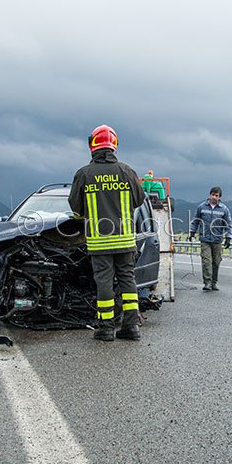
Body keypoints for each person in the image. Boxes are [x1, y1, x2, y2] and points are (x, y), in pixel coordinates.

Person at [68, 125, 145, 341]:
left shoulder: (84, 173)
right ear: (114, 145)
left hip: (99, 242)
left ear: (92, 145)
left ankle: (106, 328)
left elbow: (75, 207)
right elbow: (139, 200)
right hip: (125, 239)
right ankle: (131, 327)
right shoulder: (127, 171)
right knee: (128, 281)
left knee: (104, 283)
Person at [189, 186, 232, 291]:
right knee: (206, 260)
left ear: (219, 197)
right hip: (205, 239)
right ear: (210, 195)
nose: (214, 197)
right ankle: (207, 283)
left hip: (217, 239)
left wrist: (228, 237)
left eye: (216, 195)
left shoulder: (224, 209)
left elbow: (228, 224)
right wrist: (192, 232)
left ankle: (214, 282)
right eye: (212, 195)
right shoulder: (202, 207)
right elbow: (195, 221)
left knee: (216, 261)